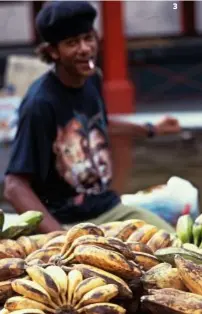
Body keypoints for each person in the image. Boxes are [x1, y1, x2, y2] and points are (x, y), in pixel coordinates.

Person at [4, 1, 181, 233]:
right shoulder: (40, 104)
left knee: (176, 244)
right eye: (72, 43)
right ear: (53, 52)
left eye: (88, 38)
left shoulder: (92, 79)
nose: (85, 48)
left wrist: (151, 129)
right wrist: (59, 238)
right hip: (66, 221)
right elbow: (14, 186)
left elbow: (101, 125)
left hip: (109, 209)